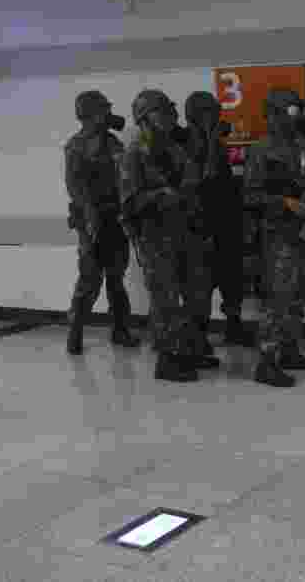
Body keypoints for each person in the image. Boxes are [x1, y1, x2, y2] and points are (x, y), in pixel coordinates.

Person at [118, 89, 217, 382]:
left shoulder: (174, 149)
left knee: (195, 292)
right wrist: (161, 196)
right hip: (154, 236)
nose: (170, 116)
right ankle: (167, 359)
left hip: (184, 231)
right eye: (163, 111)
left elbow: (192, 182)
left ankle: (189, 348)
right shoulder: (134, 154)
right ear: (145, 117)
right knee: (165, 298)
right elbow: (128, 203)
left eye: (170, 111)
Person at [244, 88, 305, 387]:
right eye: (290, 111)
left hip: (301, 233)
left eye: (297, 111)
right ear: (274, 115)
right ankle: (267, 362)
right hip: (275, 235)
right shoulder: (261, 149)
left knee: (297, 296)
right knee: (276, 300)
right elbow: (250, 196)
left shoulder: (299, 147)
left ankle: (290, 351)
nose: (296, 117)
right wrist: (284, 203)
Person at [63, 90, 141, 354]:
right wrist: (89, 216)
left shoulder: (113, 143)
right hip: (91, 222)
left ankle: (120, 330)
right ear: (90, 115)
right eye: (103, 111)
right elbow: (75, 187)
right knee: (90, 280)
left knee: (116, 279)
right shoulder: (75, 146)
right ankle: (75, 330)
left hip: (114, 219)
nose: (108, 115)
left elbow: (125, 177)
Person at [181, 91, 255, 348]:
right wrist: (212, 141)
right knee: (200, 286)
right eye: (211, 112)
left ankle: (234, 327)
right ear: (197, 115)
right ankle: (198, 339)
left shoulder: (217, 144)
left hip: (226, 224)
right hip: (201, 227)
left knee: (232, 280)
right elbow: (204, 179)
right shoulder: (185, 144)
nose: (218, 117)